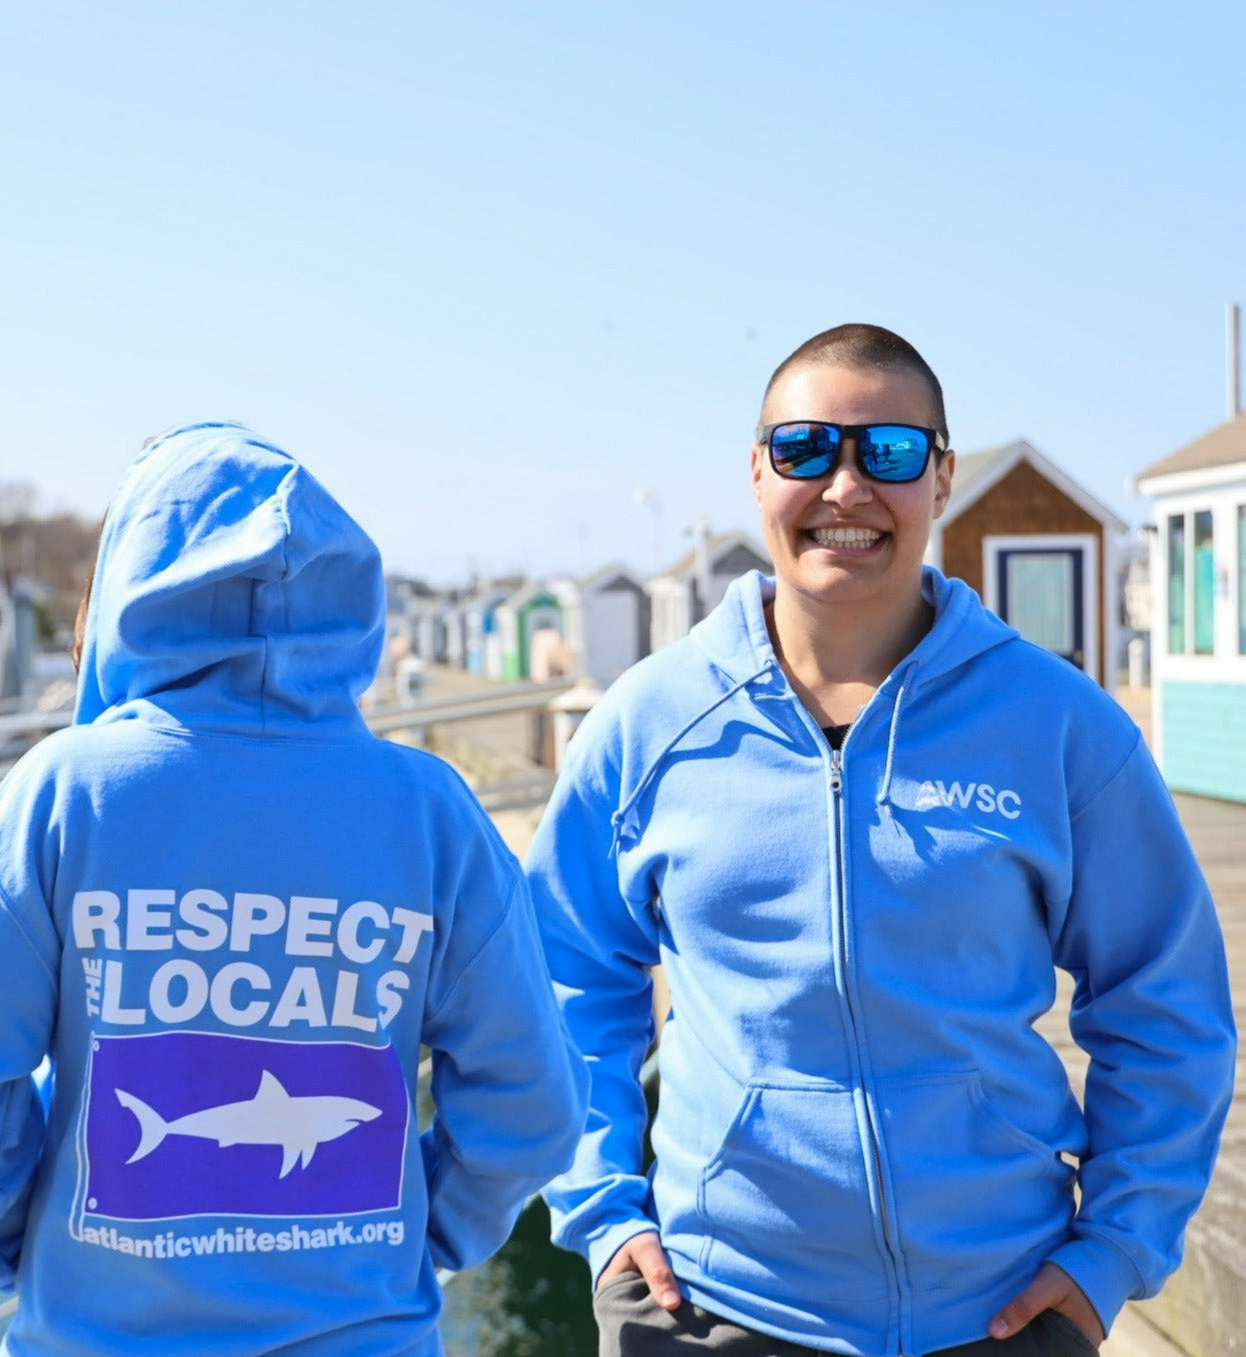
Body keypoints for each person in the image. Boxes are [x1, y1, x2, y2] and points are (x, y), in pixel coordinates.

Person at [524, 325, 1236, 1356]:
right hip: (711, 1305)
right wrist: (603, 1212)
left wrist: (1109, 1254)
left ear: (941, 478)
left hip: (999, 1311)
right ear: (757, 472)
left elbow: (1165, 1001)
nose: (845, 487)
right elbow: (561, 974)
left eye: (888, 451)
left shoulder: (1060, 728)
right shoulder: (647, 724)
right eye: (805, 448)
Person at [0, 421, 588, 1356]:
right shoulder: (430, 811)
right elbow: (531, 1098)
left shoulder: (61, 796)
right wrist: (421, 1234)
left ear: (125, 592)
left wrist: (17, 1249)